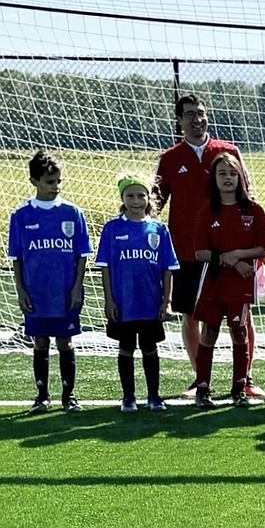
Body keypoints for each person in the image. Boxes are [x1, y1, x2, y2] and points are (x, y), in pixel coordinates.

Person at [155, 94, 260, 397]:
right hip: (188, 252)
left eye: (200, 113)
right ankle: (198, 376)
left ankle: (246, 377)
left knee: (242, 315)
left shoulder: (228, 151)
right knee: (191, 314)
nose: (196, 119)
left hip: (231, 251)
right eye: (189, 114)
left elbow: (247, 200)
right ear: (179, 120)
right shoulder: (171, 158)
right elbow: (155, 204)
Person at [9, 150, 92, 414]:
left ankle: (69, 396)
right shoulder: (21, 215)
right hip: (36, 293)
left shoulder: (72, 212)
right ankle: (42, 395)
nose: (56, 187)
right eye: (49, 182)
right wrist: (20, 291)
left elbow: (82, 256)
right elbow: (17, 258)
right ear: (34, 181)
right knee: (40, 341)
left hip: (65, 291)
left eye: (58, 181)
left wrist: (77, 288)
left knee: (65, 342)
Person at [191, 151, 265, 408]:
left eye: (232, 174)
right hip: (214, 281)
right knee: (210, 331)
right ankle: (203, 388)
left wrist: (240, 255)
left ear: (241, 178)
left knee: (239, 331)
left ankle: (239, 387)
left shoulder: (253, 210)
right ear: (214, 179)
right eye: (222, 174)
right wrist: (231, 260)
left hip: (241, 283)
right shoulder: (207, 212)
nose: (228, 178)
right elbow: (199, 252)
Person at [96, 173, 179, 413]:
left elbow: (168, 268)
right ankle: (128, 397)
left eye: (140, 195)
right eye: (130, 195)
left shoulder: (159, 230)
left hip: (150, 303)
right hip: (123, 303)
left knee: (150, 347)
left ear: (149, 197)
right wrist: (109, 299)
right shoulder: (112, 228)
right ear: (122, 197)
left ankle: (154, 396)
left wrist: (167, 301)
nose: (135, 200)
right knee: (126, 347)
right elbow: (106, 267)